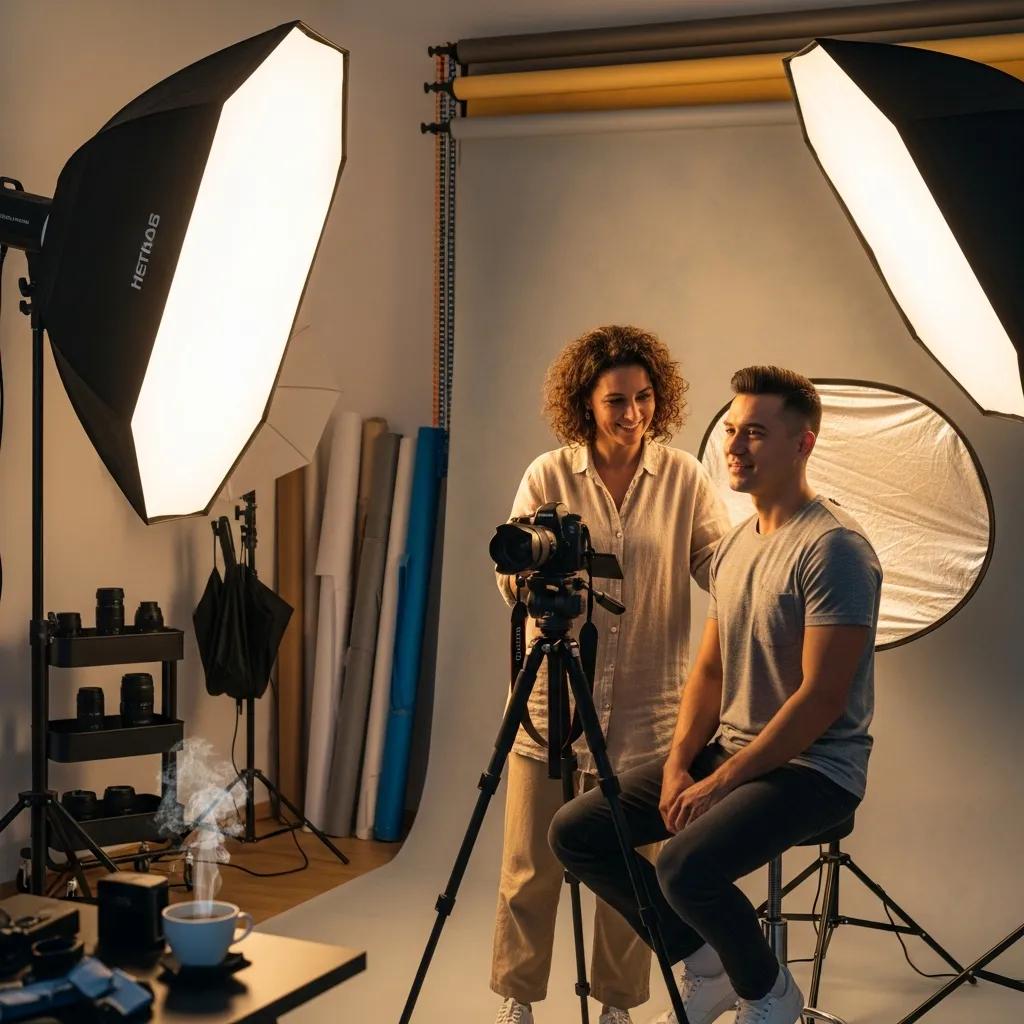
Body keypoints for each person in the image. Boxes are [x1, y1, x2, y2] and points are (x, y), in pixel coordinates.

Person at [549, 366, 883, 1024]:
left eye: (756, 433)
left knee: (683, 866)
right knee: (580, 831)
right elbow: (709, 673)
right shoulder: (735, 545)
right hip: (733, 750)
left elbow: (820, 701)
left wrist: (719, 782)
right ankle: (709, 963)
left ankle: (769, 995)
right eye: (731, 430)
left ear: (803, 443)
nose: (734, 446)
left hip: (815, 769)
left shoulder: (834, 549)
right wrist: (679, 766)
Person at [490, 325, 731, 1024]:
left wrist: (770, 562)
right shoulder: (548, 475)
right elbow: (509, 575)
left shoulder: (683, 477)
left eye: (645, 398)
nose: (633, 414)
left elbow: (717, 565)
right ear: (585, 404)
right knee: (530, 867)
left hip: (649, 711)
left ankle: (618, 1003)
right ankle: (519, 998)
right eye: (616, 401)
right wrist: (531, 573)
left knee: (631, 874)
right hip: (553, 705)